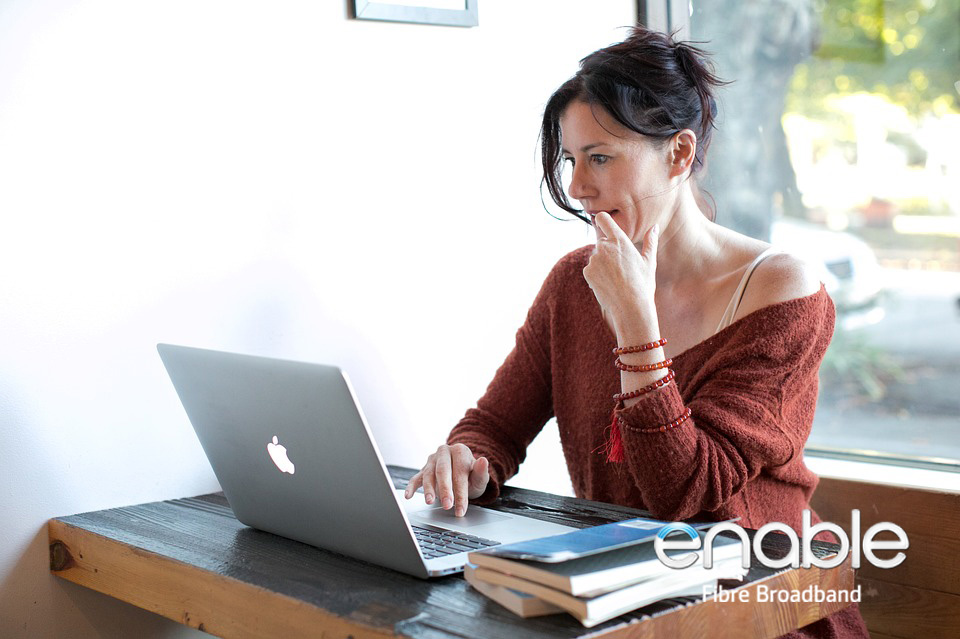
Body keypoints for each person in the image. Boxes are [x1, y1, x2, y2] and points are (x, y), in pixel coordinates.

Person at [403, 26, 869, 638]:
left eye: (600, 157)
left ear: (678, 155)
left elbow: (687, 490)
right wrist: (469, 458)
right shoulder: (575, 281)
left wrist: (635, 325)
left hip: (754, 609)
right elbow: (493, 426)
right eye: (572, 160)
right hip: (624, 597)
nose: (576, 187)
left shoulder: (783, 292)